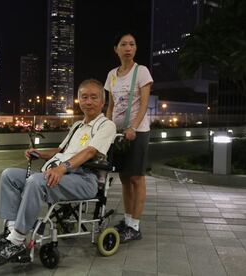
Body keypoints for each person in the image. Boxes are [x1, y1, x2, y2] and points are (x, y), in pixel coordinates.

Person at [0, 79, 116, 269]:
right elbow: (61, 150)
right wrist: (40, 153)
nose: (89, 101)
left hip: (84, 179)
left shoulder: (106, 125)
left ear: (103, 102)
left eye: (94, 97)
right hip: (61, 173)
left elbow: (90, 152)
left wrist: (62, 168)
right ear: (78, 100)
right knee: (9, 175)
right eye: (84, 97)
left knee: (36, 181)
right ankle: (10, 232)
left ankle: (17, 242)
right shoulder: (77, 125)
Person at [104, 31, 153, 243]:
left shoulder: (141, 71)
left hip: (137, 131)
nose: (128, 48)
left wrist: (133, 126)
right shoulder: (112, 75)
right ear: (116, 49)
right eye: (123, 44)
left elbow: (144, 103)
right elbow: (111, 106)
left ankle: (135, 226)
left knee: (136, 177)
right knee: (124, 178)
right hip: (117, 133)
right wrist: (105, 128)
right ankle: (127, 219)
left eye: (132, 44)